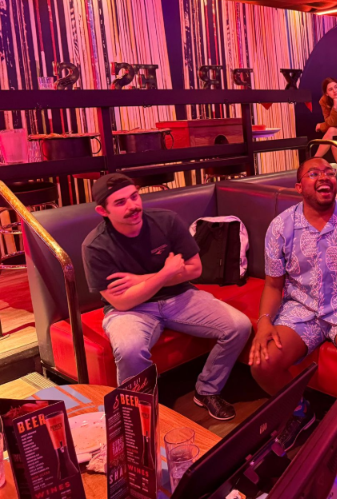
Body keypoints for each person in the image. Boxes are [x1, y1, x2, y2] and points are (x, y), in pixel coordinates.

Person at [81, 174, 252, 421]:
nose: (133, 206)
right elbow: (122, 301)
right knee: (129, 349)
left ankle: (207, 390)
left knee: (239, 326)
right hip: (131, 311)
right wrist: (166, 272)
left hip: (180, 296)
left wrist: (141, 279)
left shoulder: (166, 221)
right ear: (102, 210)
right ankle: (137, 416)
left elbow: (194, 270)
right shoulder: (96, 246)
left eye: (134, 196)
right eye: (120, 203)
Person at [250, 158, 337, 453]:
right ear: (299, 187)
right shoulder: (281, 226)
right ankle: (300, 413)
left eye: (329, 172)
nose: (325, 176)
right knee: (262, 363)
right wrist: (264, 321)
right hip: (301, 308)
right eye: (314, 173)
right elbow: (274, 285)